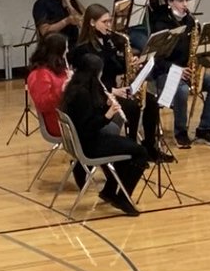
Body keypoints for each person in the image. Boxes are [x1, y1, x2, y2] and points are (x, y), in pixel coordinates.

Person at [73, 3, 170, 162]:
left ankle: (150, 147)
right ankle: (132, 149)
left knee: (151, 100)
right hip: (98, 96)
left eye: (109, 21)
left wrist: (129, 63)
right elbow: (88, 81)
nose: (109, 25)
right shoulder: (83, 49)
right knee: (133, 106)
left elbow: (115, 66)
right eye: (105, 22)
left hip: (114, 90)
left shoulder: (108, 41)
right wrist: (113, 91)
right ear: (91, 23)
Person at [60, 52, 149, 216]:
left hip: (84, 141)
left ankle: (109, 191)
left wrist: (103, 106)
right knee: (141, 152)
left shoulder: (76, 87)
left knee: (127, 147)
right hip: (88, 145)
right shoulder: (82, 95)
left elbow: (87, 117)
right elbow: (88, 128)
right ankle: (122, 197)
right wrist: (108, 115)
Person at [150, 0, 210, 149]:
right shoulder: (161, 24)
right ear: (169, 2)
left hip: (187, 71)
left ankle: (204, 129)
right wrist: (177, 70)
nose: (185, 4)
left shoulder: (190, 21)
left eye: (187, 0)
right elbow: (157, 59)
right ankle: (180, 132)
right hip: (165, 73)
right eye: (181, 0)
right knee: (181, 91)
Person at [27, 32, 70, 136]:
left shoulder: (59, 69)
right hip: (59, 122)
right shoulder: (39, 74)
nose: (67, 51)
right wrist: (63, 90)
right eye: (66, 48)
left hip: (69, 116)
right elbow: (43, 104)